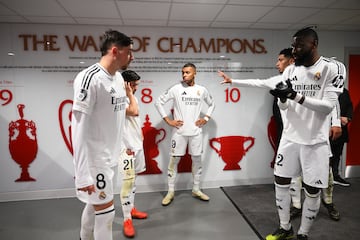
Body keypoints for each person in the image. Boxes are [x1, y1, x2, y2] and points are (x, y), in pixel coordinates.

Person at [265, 27, 344, 240]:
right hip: (290, 138)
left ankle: (303, 234)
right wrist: (283, 98)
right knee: (280, 180)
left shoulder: (332, 68)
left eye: (299, 45)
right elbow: (285, 108)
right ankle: (285, 228)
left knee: (312, 189)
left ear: (314, 44)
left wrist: (294, 95)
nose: (295, 49)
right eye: (293, 45)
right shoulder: (290, 70)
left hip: (315, 141)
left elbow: (327, 106)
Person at [71, 29, 133, 240]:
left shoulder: (118, 79)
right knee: (107, 214)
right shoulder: (89, 78)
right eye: (129, 52)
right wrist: (81, 174)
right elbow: (77, 127)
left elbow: (118, 117)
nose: (131, 57)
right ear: (115, 51)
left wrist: (126, 144)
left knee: (94, 204)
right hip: (95, 161)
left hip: (112, 157)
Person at [155, 62, 215, 206]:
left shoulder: (202, 90)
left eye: (187, 72)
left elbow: (212, 104)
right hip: (179, 132)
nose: (184, 75)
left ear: (195, 73)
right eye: (183, 72)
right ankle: (170, 191)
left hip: (196, 132)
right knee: (174, 161)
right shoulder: (176, 89)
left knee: (197, 160)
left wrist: (206, 118)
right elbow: (158, 102)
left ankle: (196, 189)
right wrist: (168, 120)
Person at [119, 70, 148, 238]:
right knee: (127, 183)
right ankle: (126, 219)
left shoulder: (133, 97)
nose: (137, 88)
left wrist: (140, 134)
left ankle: (131, 208)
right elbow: (134, 112)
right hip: (126, 147)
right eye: (134, 85)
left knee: (134, 179)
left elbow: (135, 119)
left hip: (137, 145)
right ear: (126, 84)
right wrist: (129, 94)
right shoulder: (118, 98)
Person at [331, 87, 353, 186]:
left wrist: (348, 118)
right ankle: (323, 178)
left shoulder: (344, 92)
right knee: (326, 156)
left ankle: (335, 176)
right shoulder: (324, 88)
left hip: (342, 129)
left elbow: (349, 106)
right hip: (328, 129)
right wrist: (337, 119)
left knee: (337, 154)